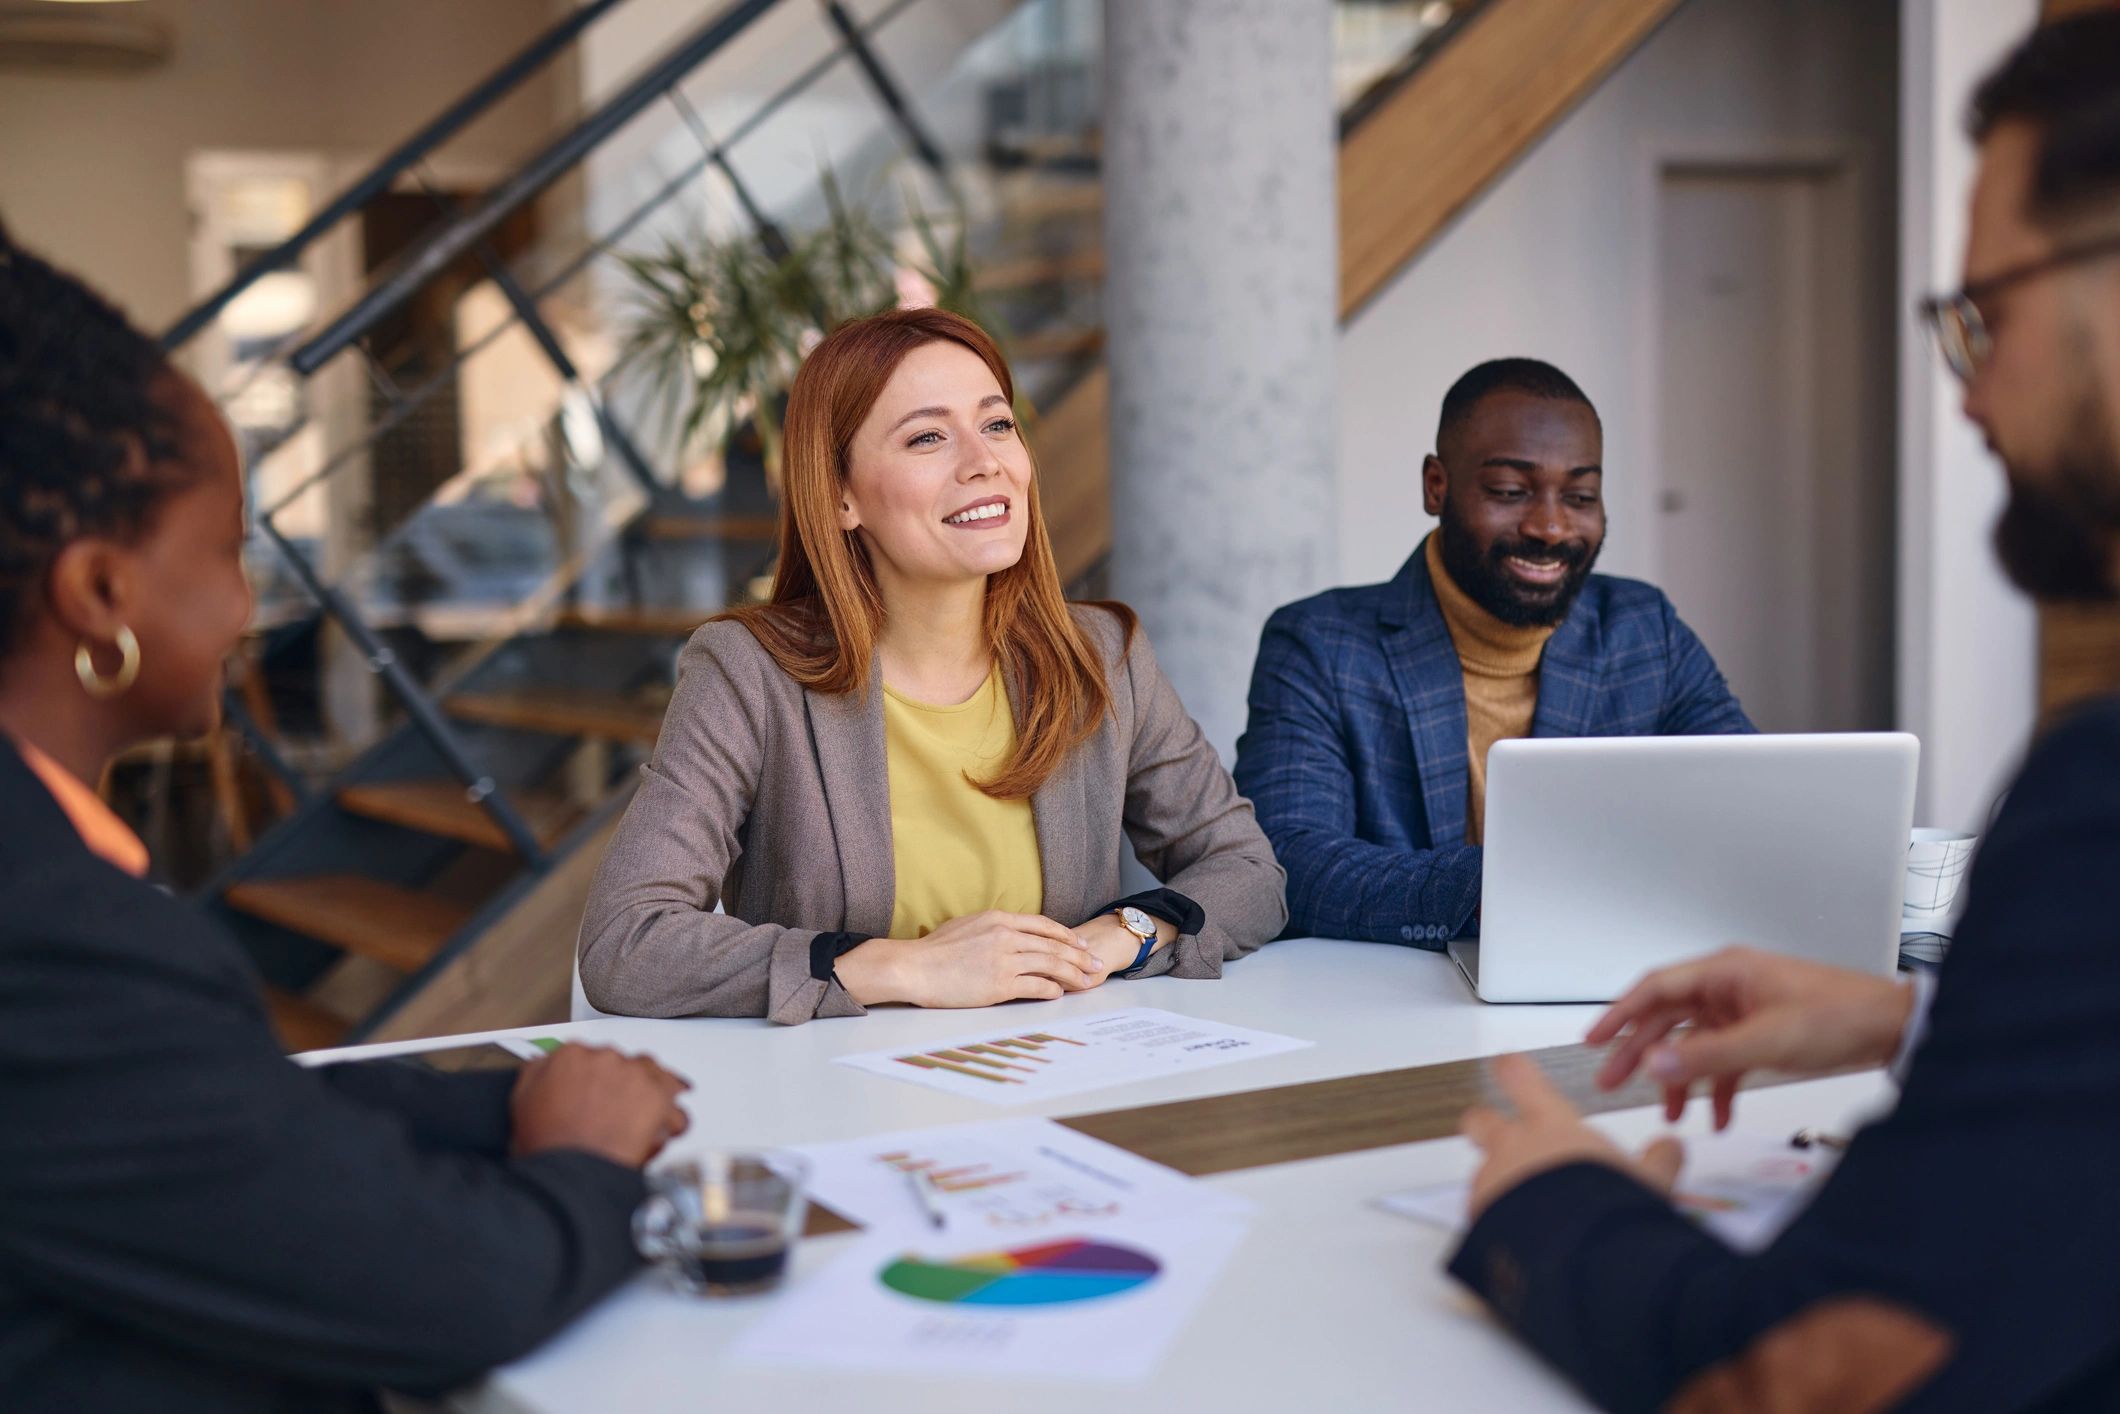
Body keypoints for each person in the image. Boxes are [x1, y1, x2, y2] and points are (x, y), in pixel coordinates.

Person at [1450, 16, 2120, 1410]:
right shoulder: (1324, 643)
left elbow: (1787, 1375)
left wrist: (1548, 1197)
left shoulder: (2095, 801)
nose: (1972, 392)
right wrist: (1914, 1015)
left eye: (1985, 313)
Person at [0, 231, 692, 1413]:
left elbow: (210, 1116)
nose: (252, 598)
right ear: (101, 593)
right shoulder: (48, 935)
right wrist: (580, 1164)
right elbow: (454, 1291)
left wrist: (516, 1105)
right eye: (226, 551)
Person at [577, 307, 1286, 1025]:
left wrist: (1118, 938)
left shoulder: (1101, 656)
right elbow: (627, 943)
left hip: (1059, 1084)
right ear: (841, 495)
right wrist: (907, 966)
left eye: (998, 424)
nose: (984, 461)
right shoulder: (749, 673)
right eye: (926, 437)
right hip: (838, 1097)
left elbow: (1249, 872)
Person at [1233, 359, 1750, 947]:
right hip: (1397, 1007)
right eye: (1510, 491)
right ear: (1437, 485)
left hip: (1612, 990)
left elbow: (1746, 807)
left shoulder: (1643, 630)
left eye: (1580, 495)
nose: (1551, 527)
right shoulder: (1319, 643)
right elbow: (1289, 860)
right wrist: (1515, 883)